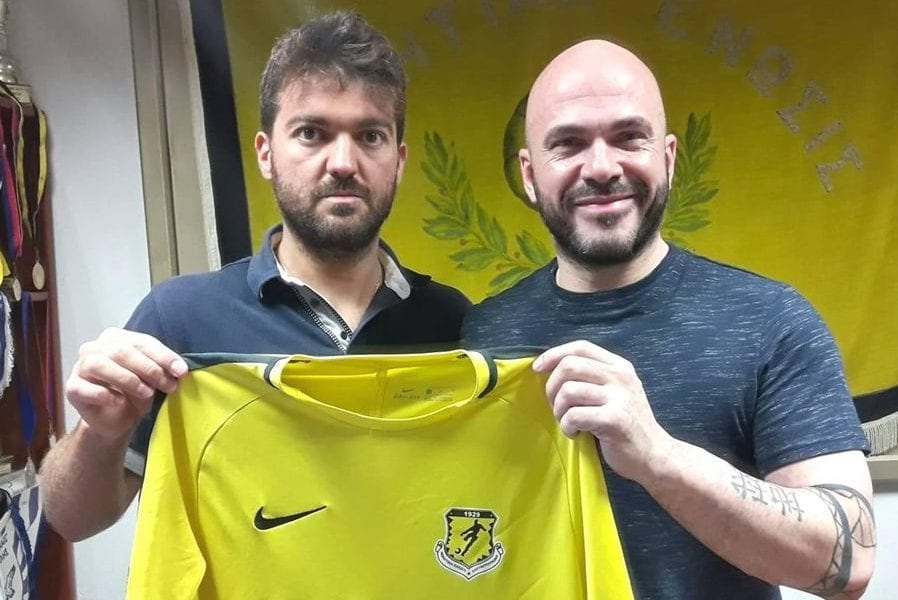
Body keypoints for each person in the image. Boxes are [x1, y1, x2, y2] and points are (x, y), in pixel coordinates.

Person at [461, 40, 876, 600]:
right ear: (530, 175)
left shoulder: (772, 321)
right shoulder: (483, 335)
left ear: (669, 158)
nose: (601, 167)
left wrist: (657, 456)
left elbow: (847, 563)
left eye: (629, 137)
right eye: (569, 144)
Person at [40, 11, 470, 542]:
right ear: (266, 154)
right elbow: (70, 519)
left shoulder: (454, 322)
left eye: (370, 136)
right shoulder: (179, 321)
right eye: (311, 133)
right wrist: (100, 434)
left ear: (398, 161)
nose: (343, 162)